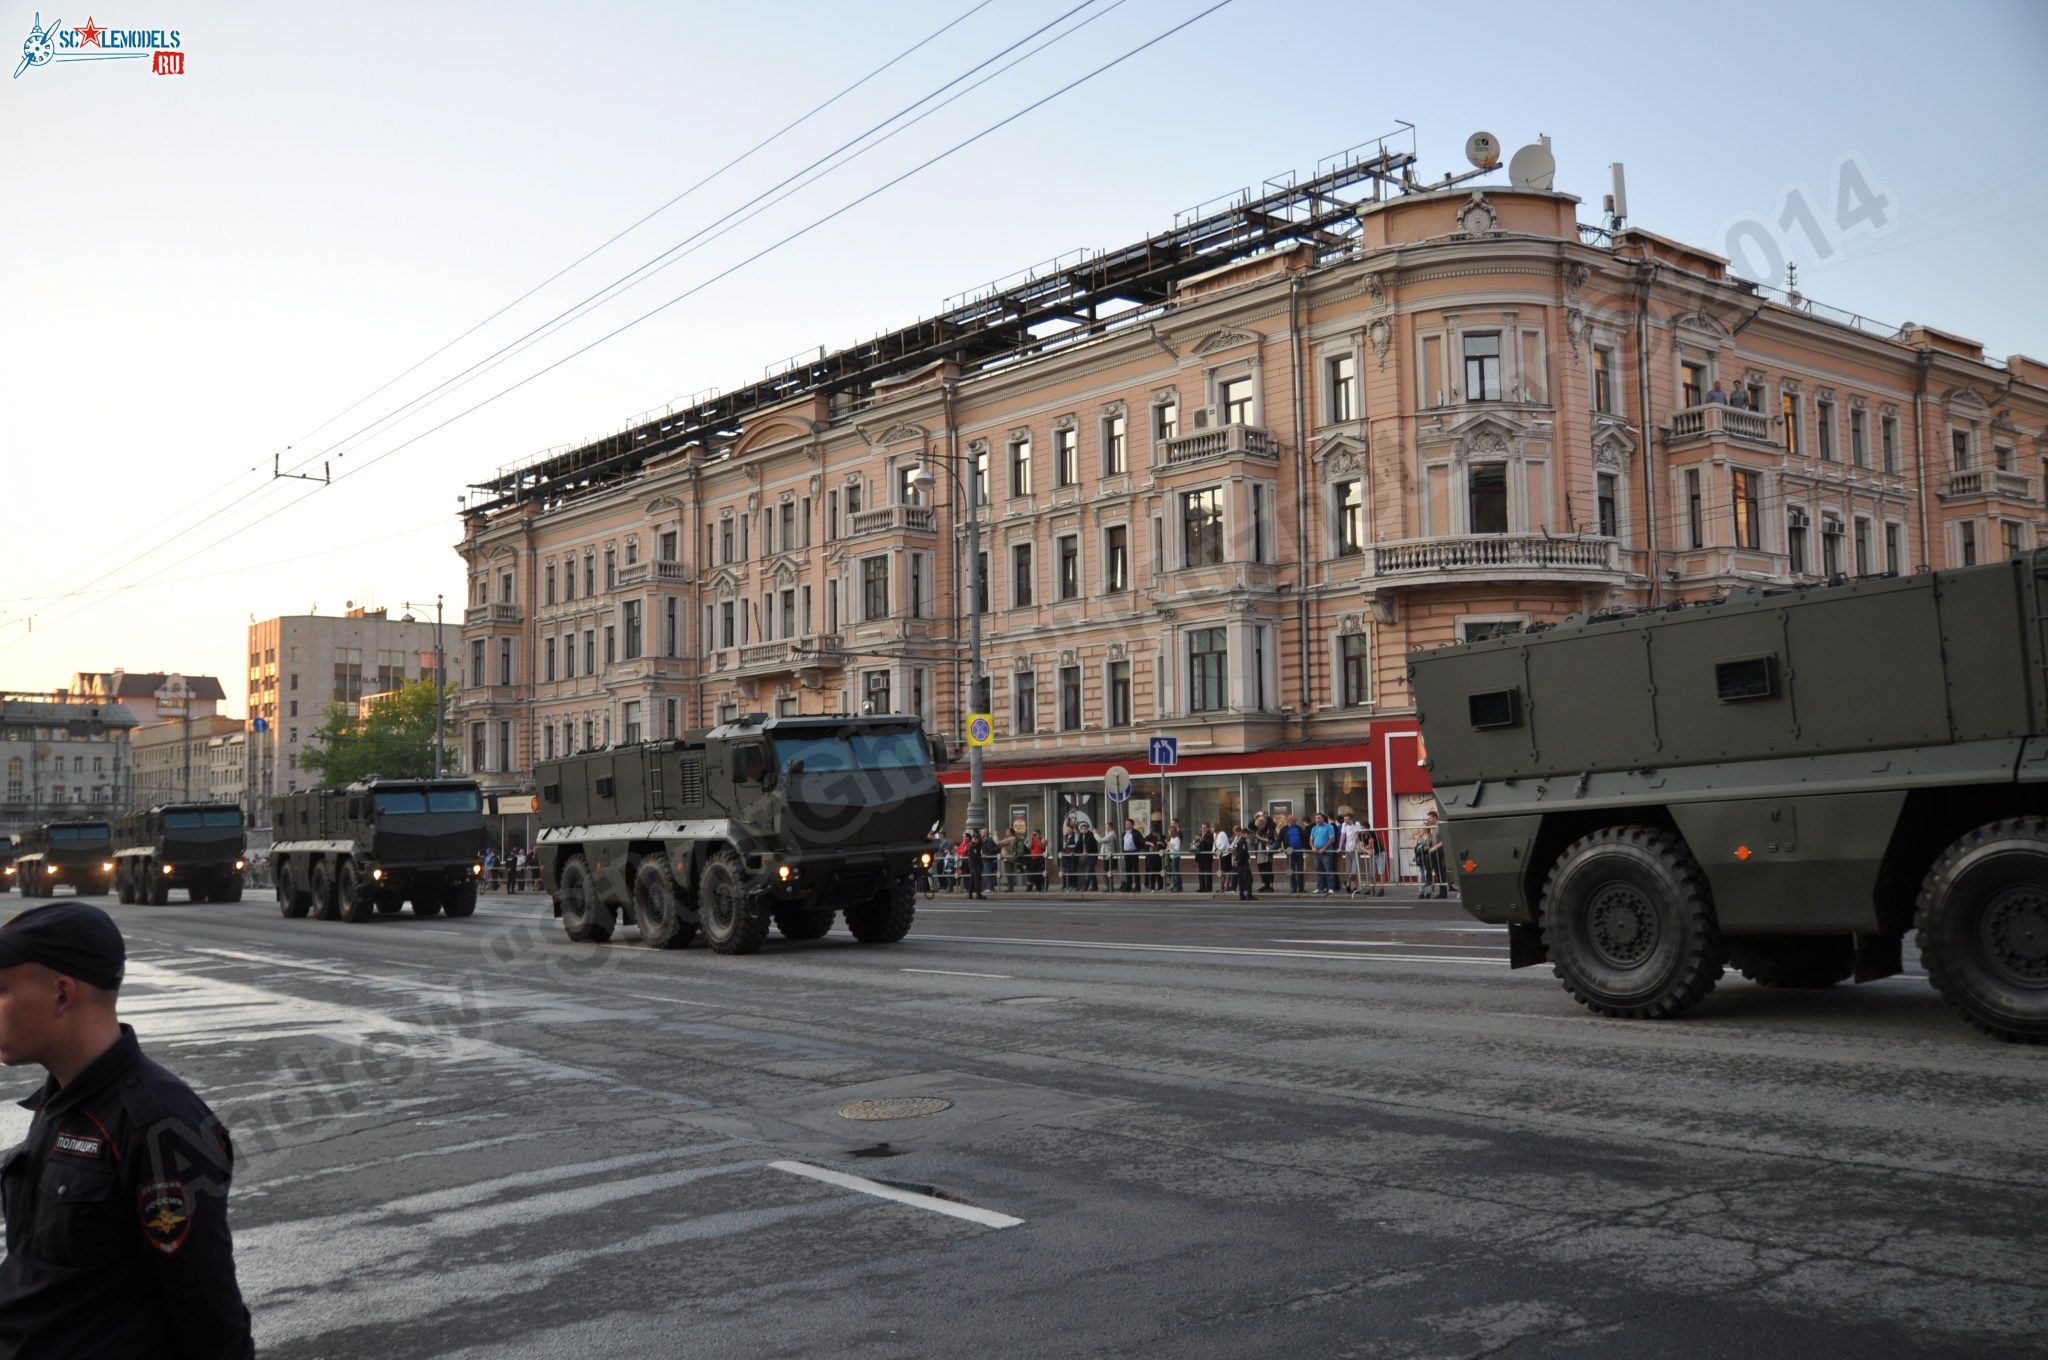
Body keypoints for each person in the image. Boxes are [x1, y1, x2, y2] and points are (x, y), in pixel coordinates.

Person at [0, 903, 255, 1359]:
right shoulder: (63, 1099)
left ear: (62, 995)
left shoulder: (159, 1124)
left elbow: (206, 1308)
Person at [1310, 813, 1338, 894]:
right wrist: (1312, 847)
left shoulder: (1329, 827)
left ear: (1323, 818)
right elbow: (1311, 839)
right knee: (1319, 871)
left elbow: (1332, 839)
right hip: (1316, 852)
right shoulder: (1314, 828)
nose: (1317, 819)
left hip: (1326, 852)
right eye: (1316, 818)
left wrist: (1324, 848)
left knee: (1328, 870)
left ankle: (1330, 888)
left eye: (1319, 818)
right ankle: (1320, 887)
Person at [1339, 812, 1364, 896]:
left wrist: (1355, 846)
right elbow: (1343, 836)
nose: (1345, 821)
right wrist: (1340, 847)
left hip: (1355, 850)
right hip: (1347, 849)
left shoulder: (1356, 824)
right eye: (1344, 819)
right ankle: (1357, 887)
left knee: (1354, 871)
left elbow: (1357, 835)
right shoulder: (1344, 825)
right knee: (1350, 871)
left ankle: (1348, 883)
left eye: (1347, 819)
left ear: (1351, 819)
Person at [1229, 825, 1256, 901]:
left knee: (1241, 879)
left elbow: (1238, 853)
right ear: (1243, 833)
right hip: (1243, 864)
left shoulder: (1239, 841)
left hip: (1240, 864)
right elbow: (1242, 854)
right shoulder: (1242, 842)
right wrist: (1238, 861)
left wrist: (1236, 861)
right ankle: (1249, 895)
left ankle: (1242, 895)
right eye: (1247, 834)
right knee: (1249, 879)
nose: (1248, 835)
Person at [1284, 815, 1307, 894]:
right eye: (1293, 820)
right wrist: (1279, 847)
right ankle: (1293, 887)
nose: (1294, 822)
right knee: (1291, 870)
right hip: (1290, 853)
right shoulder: (1284, 829)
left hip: (1299, 852)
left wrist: (1303, 846)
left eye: (1295, 820)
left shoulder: (1299, 828)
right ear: (1288, 821)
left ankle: (1301, 887)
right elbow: (1279, 839)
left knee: (1300, 870)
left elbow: (1304, 838)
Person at [1211, 824, 1233, 894]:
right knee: (1221, 871)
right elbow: (1214, 844)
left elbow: (1223, 845)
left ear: (1216, 828)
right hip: (1221, 854)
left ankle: (1226, 887)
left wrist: (1217, 853)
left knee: (1227, 871)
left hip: (1226, 854)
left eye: (1213, 828)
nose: (1212, 829)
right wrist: (1213, 852)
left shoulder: (1222, 834)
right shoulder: (1215, 834)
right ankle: (1222, 887)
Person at [1193, 823, 1215, 894]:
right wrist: (1195, 841)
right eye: (1202, 827)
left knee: (1208, 873)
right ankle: (1201, 887)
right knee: (1201, 872)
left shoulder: (1210, 835)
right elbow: (1197, 844)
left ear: (1208, 828)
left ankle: (1208, 888)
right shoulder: (1200, 834)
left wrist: (1202, 839)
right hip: (1200, 857)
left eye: (1204, 827)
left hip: (1207, 857)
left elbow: (1209, 844)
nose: (1203, 829)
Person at [1120, 820, 1141, 894]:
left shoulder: (1136, 832)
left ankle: (1138, 887)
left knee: (1135, 869)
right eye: (1125, 824)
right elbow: (1123, 842)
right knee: (1128, 870)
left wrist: (1138, 849)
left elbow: (1141, 841)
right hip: (1126, 853)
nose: (1126, 825)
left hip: (1133, 852)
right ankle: (1128, 887)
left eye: (1128, 824)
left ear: (1132, 825)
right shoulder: (1124, 833)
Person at [1166, 821, 1184, 892]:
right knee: (1173, 872)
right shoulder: (1172, 838)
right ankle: (1174, 885)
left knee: (1176, 872)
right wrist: (1167, 849)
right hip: (1172, 856)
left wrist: (1170, 845)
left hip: (1176, 857)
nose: (1169, 833)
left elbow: (1176, 848)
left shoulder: (1177, 839)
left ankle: (1178, 887)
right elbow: (1170, 847)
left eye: (1169, 831)